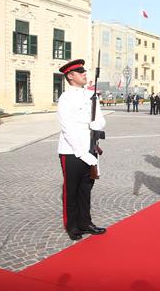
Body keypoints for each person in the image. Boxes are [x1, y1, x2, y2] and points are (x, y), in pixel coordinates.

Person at [57, 59, 107, 241]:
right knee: (71, 190)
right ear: (70, 76)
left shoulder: (90, 95)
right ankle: (72, 226)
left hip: (90, 147)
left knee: (86, 189)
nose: (85, 73)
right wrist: (82, 153)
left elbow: (100, 119)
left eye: (84, 71)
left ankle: (86, 222)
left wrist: (97, 124)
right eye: (80, 71)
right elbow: (67, 129)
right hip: (72, 151)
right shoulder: (66, 98)